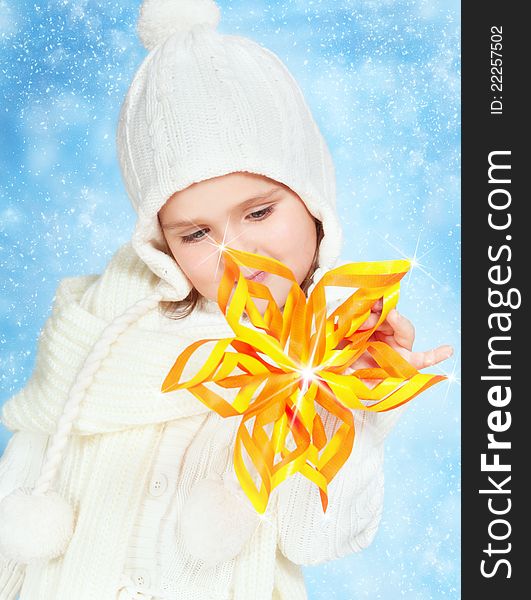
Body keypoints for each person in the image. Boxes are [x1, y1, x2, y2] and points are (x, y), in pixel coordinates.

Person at [0, 1, 453, 599]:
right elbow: (23, 487)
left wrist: (357, 409)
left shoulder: (323, 355)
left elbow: (315, 539)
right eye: (196, 233)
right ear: (160, 242)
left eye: (260, 211)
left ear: (314, 203)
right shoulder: (93, 330)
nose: (235, 254)